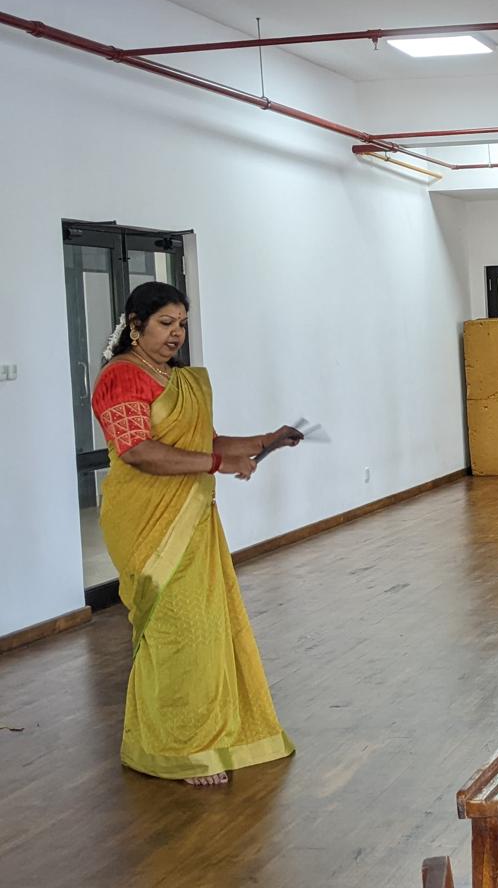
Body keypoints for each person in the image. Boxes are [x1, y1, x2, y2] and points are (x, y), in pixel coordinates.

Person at [90, 282, 298, 787]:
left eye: (182, 323)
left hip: (192, 516)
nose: (176, 334)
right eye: (165, 323)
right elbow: (138, 450)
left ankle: (211, 733)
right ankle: (178, 747)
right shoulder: (121, 378)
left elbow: (202, 441)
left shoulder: (177, 379)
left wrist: (264, 440)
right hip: (145, 520)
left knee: (206, 627)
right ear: (135, 325)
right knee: (174, 629)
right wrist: (217, 463)